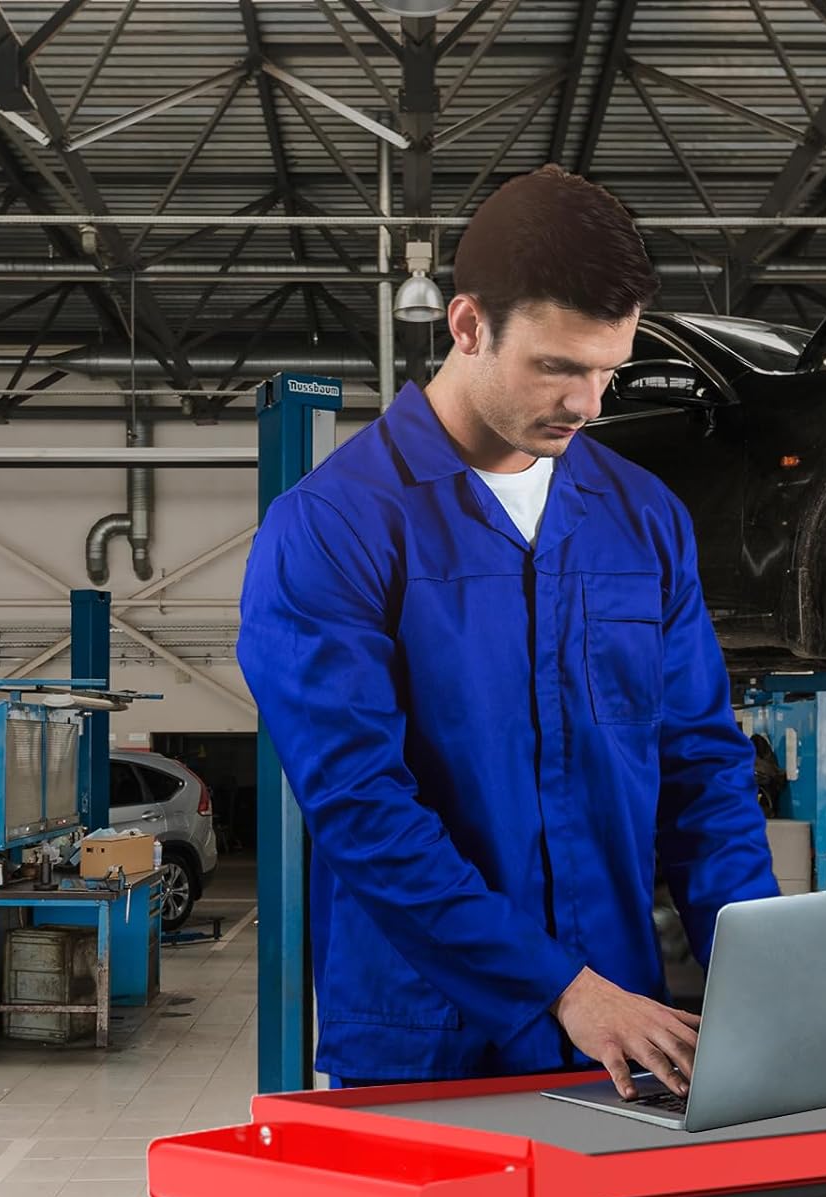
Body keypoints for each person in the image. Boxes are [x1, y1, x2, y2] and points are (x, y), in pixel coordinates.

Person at [237, 166, 779, 1101]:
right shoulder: (335, 524)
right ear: (467, 326)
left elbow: (700, 767)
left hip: (619, 1027)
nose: (588, 405)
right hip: (425, 1037)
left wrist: (768, 974)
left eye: (608, 370)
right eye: (559, 367)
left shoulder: (641, 518)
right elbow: (361, 805)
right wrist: (557, 986)